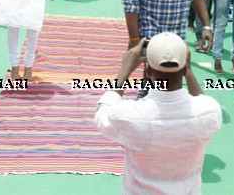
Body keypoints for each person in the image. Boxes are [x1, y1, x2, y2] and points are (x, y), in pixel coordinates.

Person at [95, 34, 222, 195]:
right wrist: (188, 71)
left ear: (147, 71)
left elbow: (103, 113)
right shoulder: (208, 111)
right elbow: (202, 100)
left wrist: (125, 70)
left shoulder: (128, 115)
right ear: (184, 68)